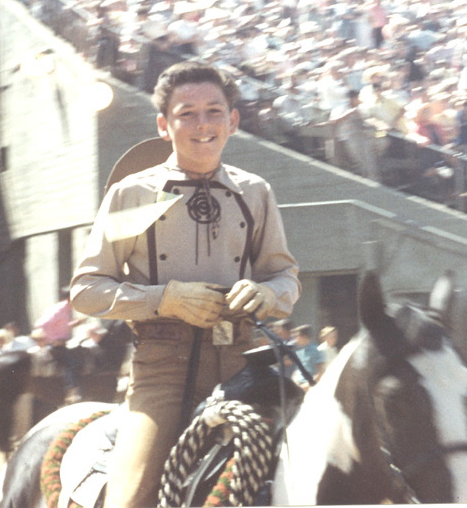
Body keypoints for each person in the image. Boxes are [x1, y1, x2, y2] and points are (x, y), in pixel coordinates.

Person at [70, 61, 300, 508]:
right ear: (163, 125)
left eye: (214, 111)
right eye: (187, 113)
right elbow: (88, 289)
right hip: (164, 371)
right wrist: (164, 300)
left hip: (244, 366)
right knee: (131, 498)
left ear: (233, 121)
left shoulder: (255, 193)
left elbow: (284, 276)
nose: (202, 125)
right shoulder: (135, 195)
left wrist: (267, 294)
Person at [292, 324, 324, 390]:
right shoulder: (298, 351)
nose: (294, 339)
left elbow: (321, 371)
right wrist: (294, 381)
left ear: (304, 336)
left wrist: (309, 385)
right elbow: (297, 370)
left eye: (296, 336)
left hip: (312, 387)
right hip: (299, 386)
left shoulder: (316, 350)